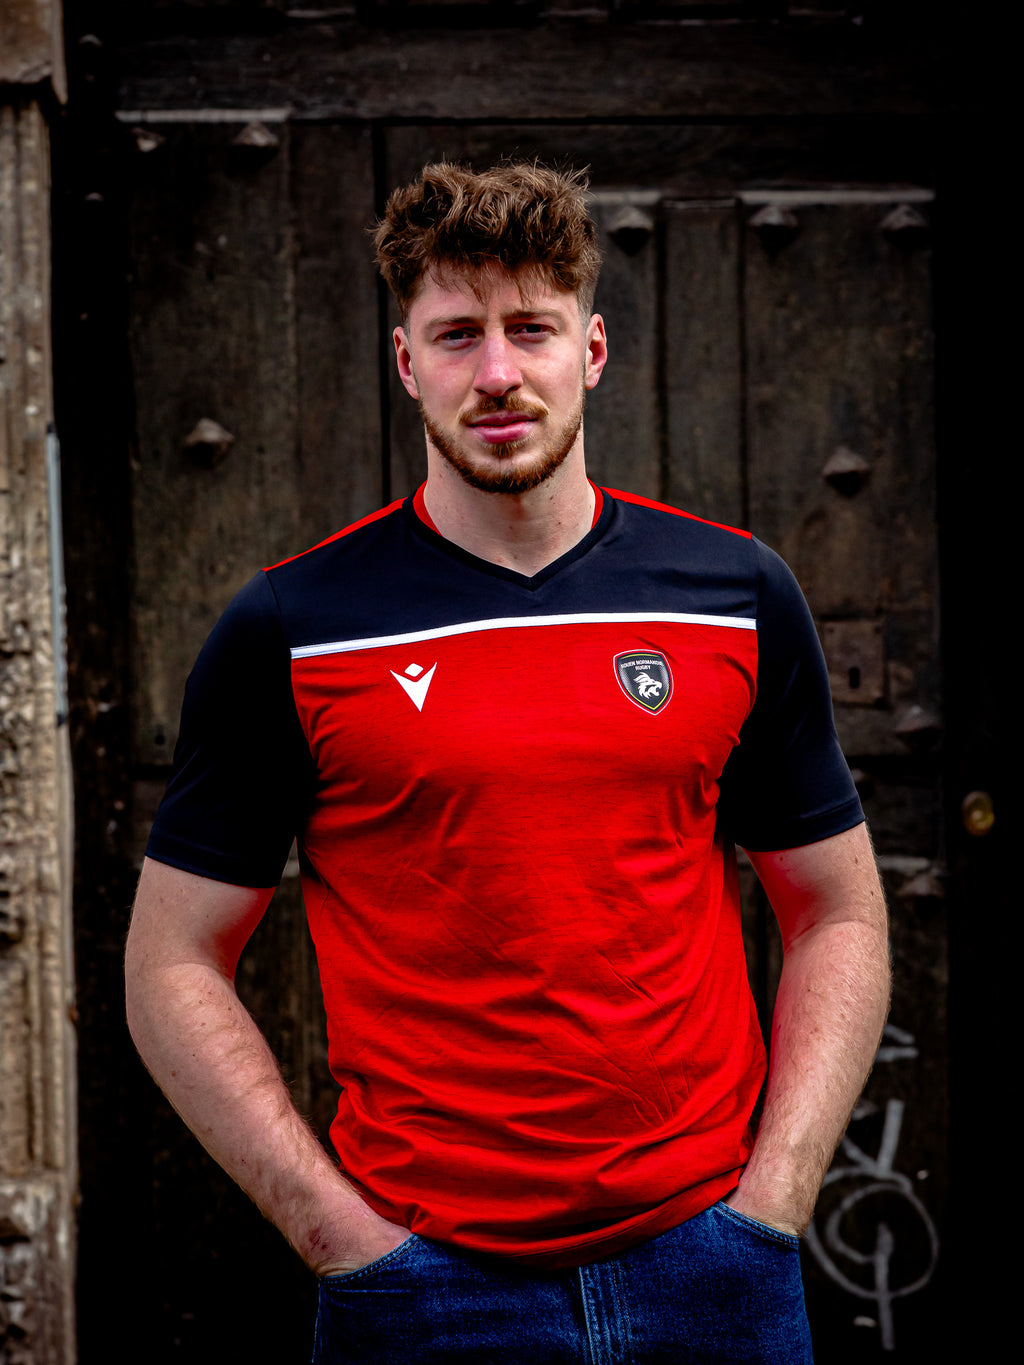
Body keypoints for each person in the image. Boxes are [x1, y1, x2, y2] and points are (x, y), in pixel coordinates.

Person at [125, 160, 890, 1363]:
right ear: (404, 363)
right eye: (455, 334)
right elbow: (171, 961)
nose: (494, 373)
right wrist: (335, 1231)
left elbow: (835, 910)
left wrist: (774, 1200)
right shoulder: (294, 625)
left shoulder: (733, 593)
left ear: (588, 349)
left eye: (528, 328)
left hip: (713, 1266)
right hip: (423, 1286)